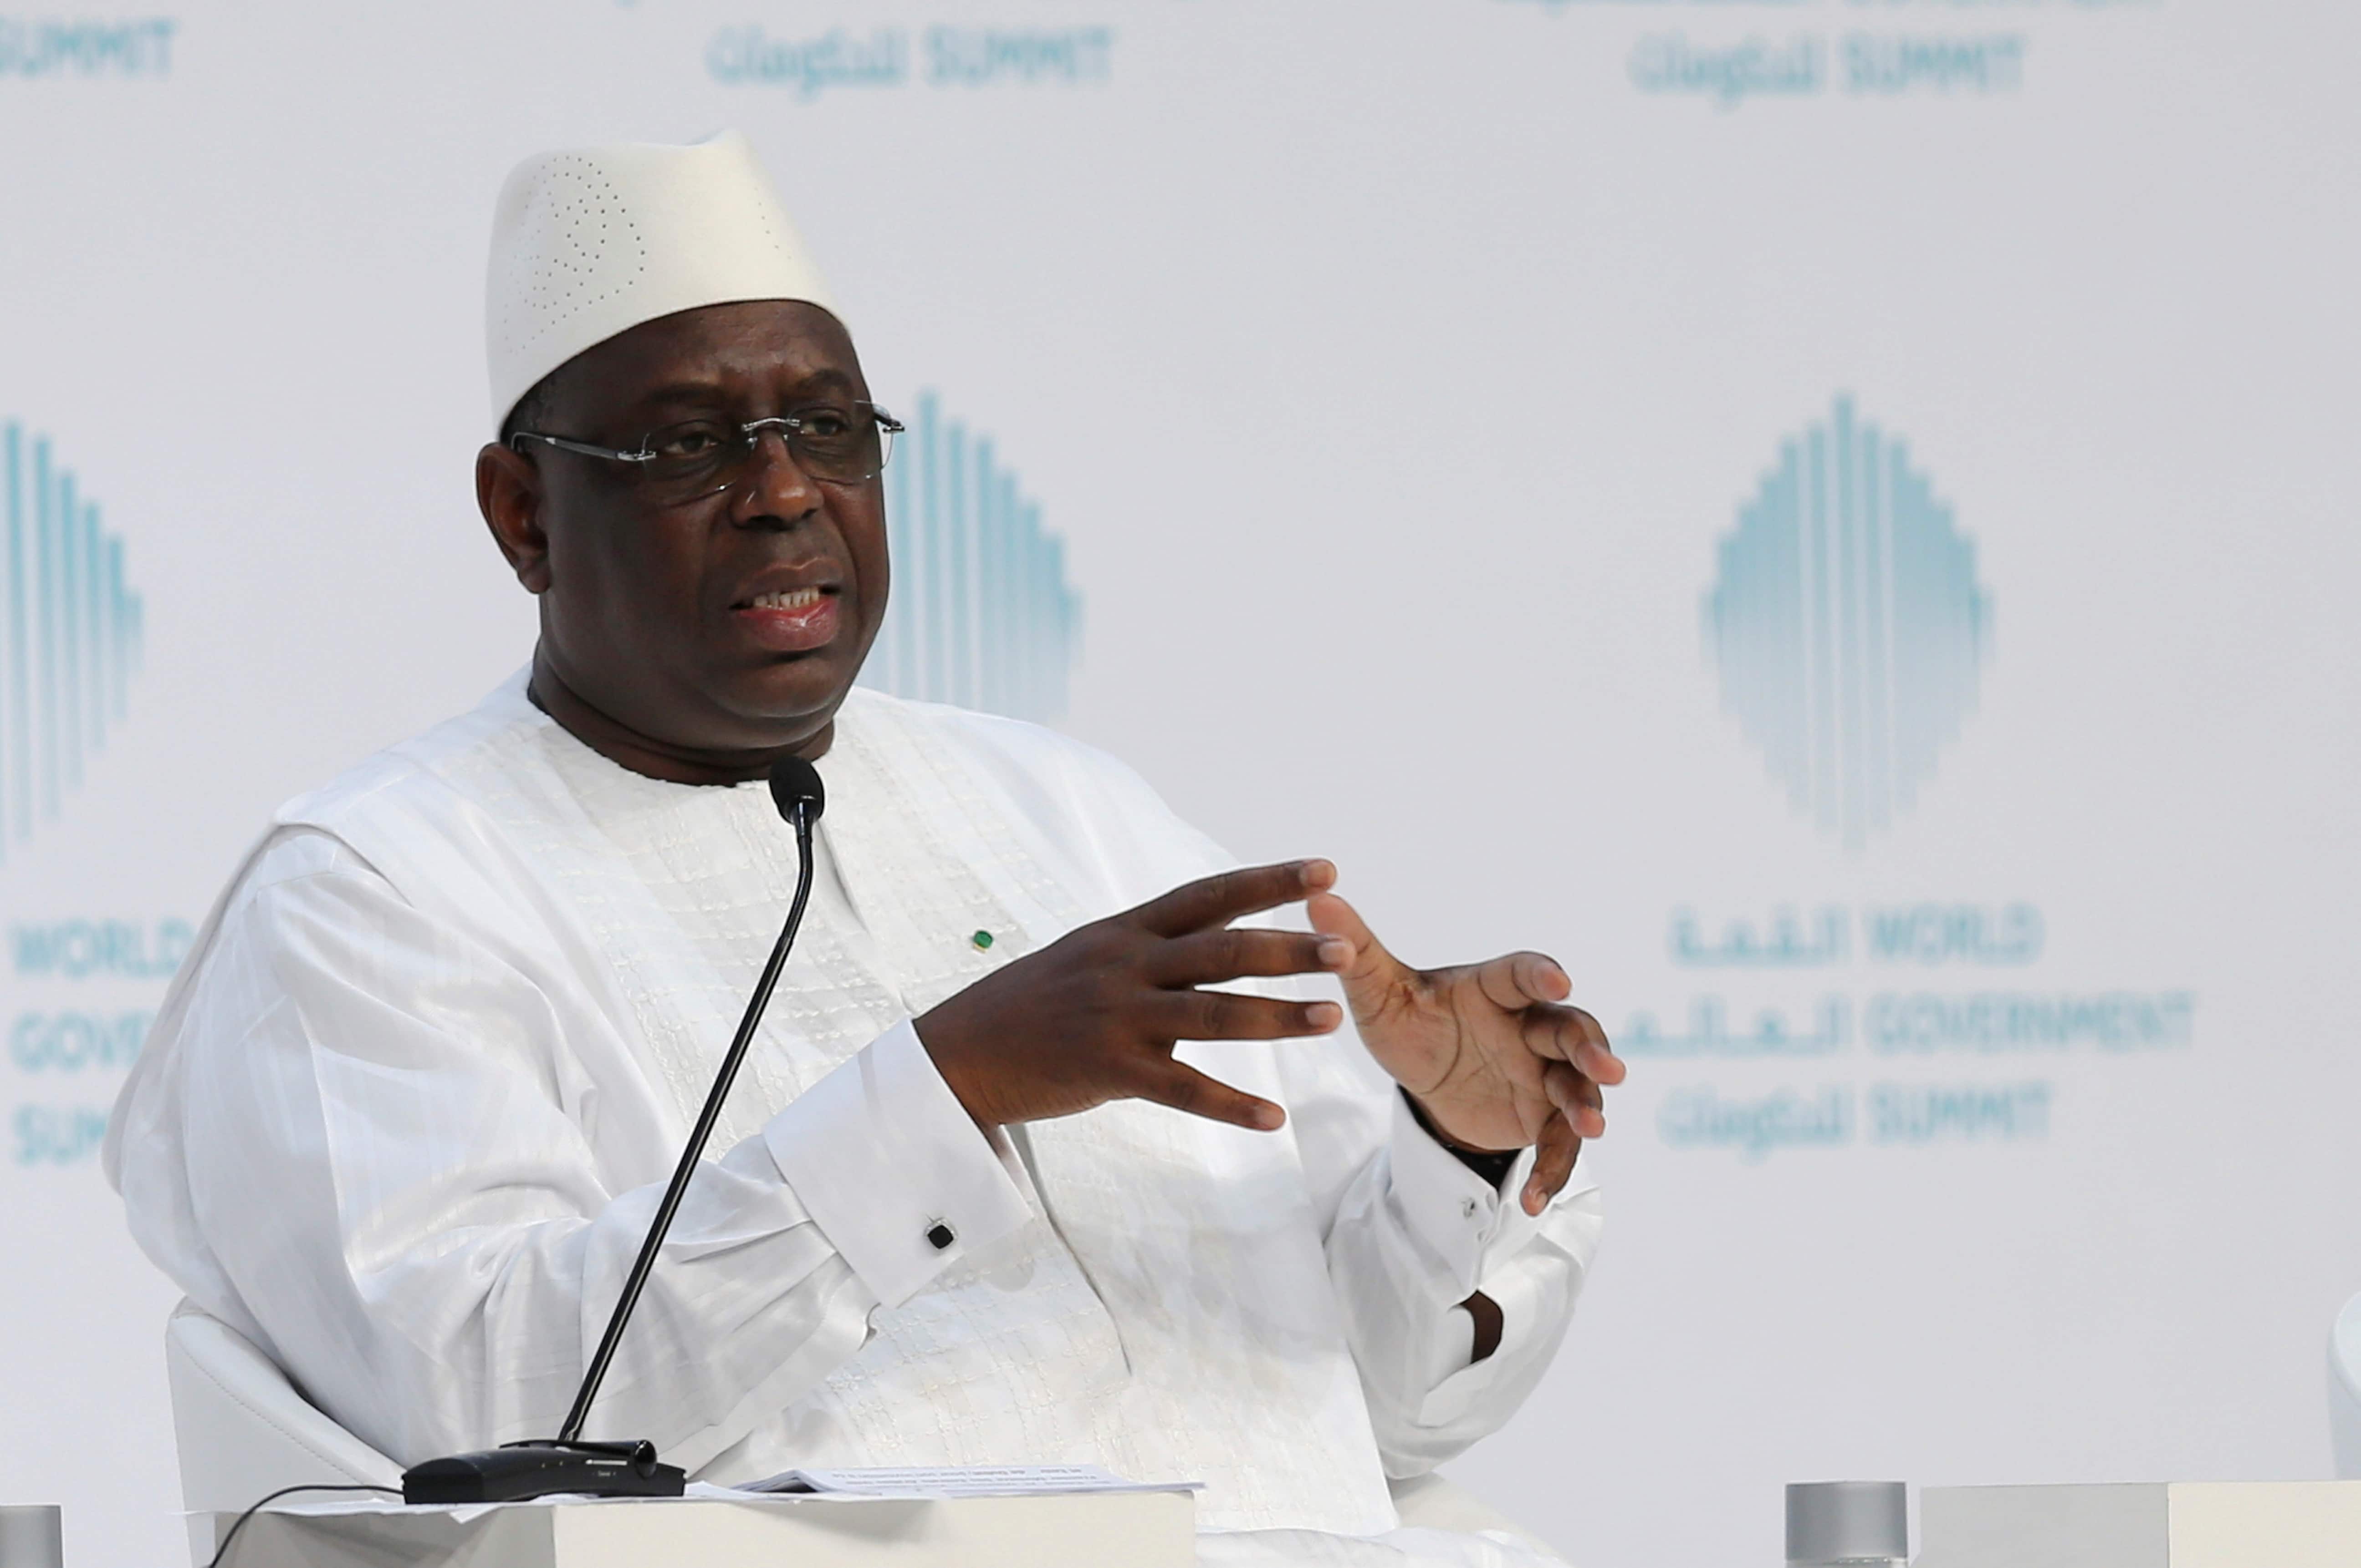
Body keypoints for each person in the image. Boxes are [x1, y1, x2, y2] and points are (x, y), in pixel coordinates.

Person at [105, 132, 1624, 1567]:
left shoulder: (1066, 812)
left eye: (827, 426)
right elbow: (485, 1420)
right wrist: (944, 1090)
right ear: (525, 517)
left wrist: (1456, 1146)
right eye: (689, 442)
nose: (781, 491)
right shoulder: (378, 892)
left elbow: (1382, 1415)